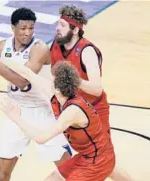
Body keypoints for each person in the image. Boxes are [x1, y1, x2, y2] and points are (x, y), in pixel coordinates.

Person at [0, 7, 71, 181]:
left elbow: (22, 80)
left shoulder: (39, 48)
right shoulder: (1, 47)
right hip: (15, 110)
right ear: (13, 28)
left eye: (31, 28)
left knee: (69, 171)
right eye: (23, 28)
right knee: (2, 174)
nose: (27, 33)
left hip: (44, 111)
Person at [0, 56, 115, 181]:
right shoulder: (59, 96)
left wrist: (16, 117)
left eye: (52, 79)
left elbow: (41, 138)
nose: (48, 79)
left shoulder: (72, 111)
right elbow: (27, 73)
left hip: (98, 162)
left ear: (57, 88)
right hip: (88, 156)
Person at [49, 5, 132, 181]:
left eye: (63, 25)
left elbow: (96, 88)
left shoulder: (86, 51)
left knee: (102, 161)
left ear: (75, 29)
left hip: (95, 111)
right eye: (58, 23)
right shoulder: (56, 46)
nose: (57, 27)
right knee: (98, 162)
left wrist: (71, 78)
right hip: (73, 109)